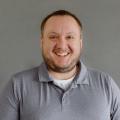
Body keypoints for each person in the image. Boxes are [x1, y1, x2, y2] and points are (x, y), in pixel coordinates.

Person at [0, 10, 120, 120]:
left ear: (80, 43)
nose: (62, 45)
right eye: (53, 37)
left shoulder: (106, 85)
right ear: (42, 42)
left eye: (69, 37)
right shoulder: (17, 86)